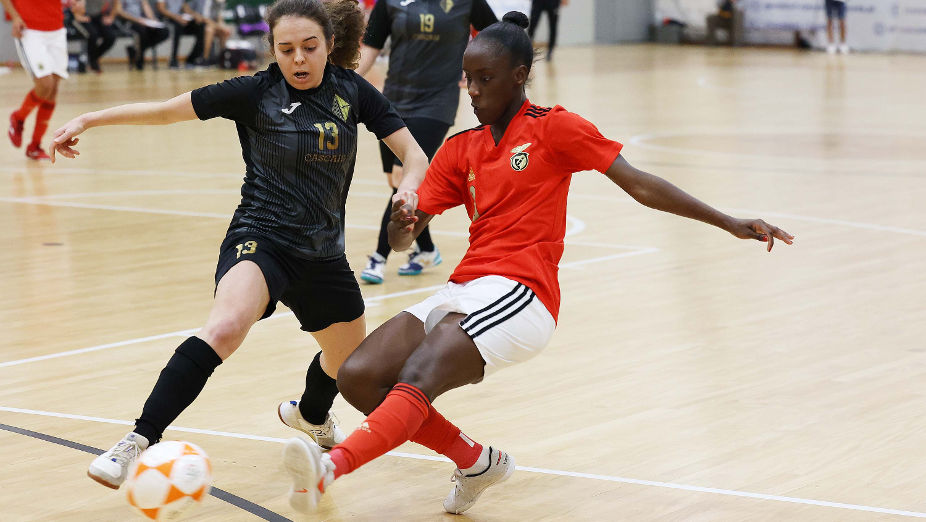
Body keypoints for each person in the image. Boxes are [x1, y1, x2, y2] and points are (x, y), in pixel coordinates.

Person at [280, 10, 795, 516]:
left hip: (522, 296)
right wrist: (403, 213)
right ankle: (476, 462)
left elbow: (640, 185)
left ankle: (333, 467)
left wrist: (729, 221)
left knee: (418, 374)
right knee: (359, 376)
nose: (473, 90)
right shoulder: (462, 149)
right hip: (465, 288)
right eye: (469, 80)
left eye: (485, 79)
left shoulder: (555, 129)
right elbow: (399, 241)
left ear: (519, 77)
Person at [50, 0, 428, 490]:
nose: (298, 59)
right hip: (261, 237)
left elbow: (413, 153)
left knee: (346, 365)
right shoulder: (254, 92)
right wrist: (89, 119)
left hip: (323, 254)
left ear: (329, 46)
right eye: (286, 49)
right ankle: (137, 440)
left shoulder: (353, 93)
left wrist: (409, 186)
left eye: (309, 48)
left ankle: (311, 415)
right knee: (226, 327)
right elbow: (167, 112)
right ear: (271, 49)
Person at [354, 0, 497, 285]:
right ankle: (428, 250)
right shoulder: (391, 2)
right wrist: (343, 81)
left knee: (402, 175)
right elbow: (371, 46)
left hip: (437, 102)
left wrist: (478, 72)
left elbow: (497, 35)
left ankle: (380, 257)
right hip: (393, 99)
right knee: (398, 182)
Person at [3, 0, 68, 160]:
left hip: (57, 30)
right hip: (30, 30)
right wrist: (16, 17)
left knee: (53, 90)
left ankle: (34, 146)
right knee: (45, 84)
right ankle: (18, 118)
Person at [113, 0, 170, 70]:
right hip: (127, 21)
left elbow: (145, 6)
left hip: (142, 20)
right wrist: (137, 20)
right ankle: (139, 60)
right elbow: (119, 11)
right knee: (142, 32)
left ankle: (137, 50)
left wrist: (152, 20)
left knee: (163, 31)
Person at [69, 0, 118, 72]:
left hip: (98, 15)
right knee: (93, 36)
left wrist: (111, 17)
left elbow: (116, 3)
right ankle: (92, 62)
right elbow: (73, 3)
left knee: (110, 37)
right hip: (83, 14)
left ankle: (92, 59)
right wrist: (77, 15)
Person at [155, 0, 206, 68]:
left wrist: (194, 15)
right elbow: (161, 9)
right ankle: (173, 59)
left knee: (201, 26)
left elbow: (185, 7)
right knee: (177, 27)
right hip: (168, 19)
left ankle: (192, 59)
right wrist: (177, 17)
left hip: (181, 18)